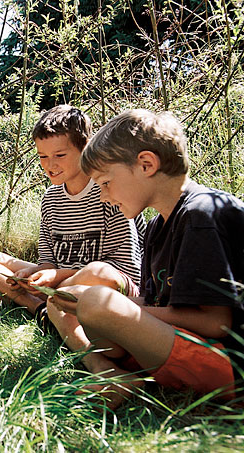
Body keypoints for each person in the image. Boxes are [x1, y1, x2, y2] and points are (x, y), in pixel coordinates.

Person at [50, 109, 244, 409]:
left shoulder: (201, 215)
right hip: (180, 347)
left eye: (105, 183)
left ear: (146, 164)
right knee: (70, 305)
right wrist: (87, 304)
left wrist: (104, 305)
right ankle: (113, 373)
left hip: (228, 366)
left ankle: (118, 372)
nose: (103, 196)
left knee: (96, 303)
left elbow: (217, 323)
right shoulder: (155, 227)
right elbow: (157, 305)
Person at [0, 105, 145, 323]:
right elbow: (48, 262)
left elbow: (125, 270)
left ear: (85, 147)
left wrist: (57, 277)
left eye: (60, 155)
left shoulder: (109, 191)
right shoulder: (51, 199)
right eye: (42, 156)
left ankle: (16, 297)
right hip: (60, 281)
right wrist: (32, 276)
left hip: (103, 284)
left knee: (96, 274)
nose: (50, 165)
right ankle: (38, 307)